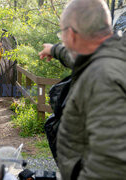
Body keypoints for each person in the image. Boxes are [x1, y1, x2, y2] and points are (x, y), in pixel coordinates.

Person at [39, 0, 126, 179]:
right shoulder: (111, 54)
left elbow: (109, 168)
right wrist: (54, 50)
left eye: (62, 33)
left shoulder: (103, 78)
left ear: (70, 34)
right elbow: (79, 58)